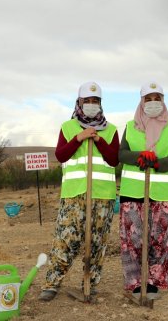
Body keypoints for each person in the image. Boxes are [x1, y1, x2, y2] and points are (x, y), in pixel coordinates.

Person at [39, 81, 119, 301]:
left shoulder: (111, 130)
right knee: (65, 239)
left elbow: (113, 159)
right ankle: (52, 283)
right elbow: (61, 155)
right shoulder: (67, 127)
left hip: (102, 195)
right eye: (87, 101)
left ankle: (89, 284)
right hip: (74, 193)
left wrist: (98, 139)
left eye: (96, 101)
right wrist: (79, 138)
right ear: (79, 103)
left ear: (100, 104)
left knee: (97, 242)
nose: (91, 105)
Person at [118, 82, 168, 300]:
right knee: (134, 240)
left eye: (157, 97)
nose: (153, 102)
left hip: (163, 193)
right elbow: (122, 154)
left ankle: (154, 281)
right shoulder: (130, 125)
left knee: (160, 239)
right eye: (148, 98)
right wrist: (140, 155)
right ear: (141, 101)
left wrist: (156, 163)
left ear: (163, 101)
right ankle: (136, 282)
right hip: (133, 193)